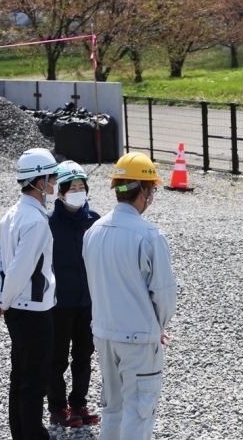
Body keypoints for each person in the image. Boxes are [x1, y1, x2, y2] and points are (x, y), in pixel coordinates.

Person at [82, 152, 177, 439]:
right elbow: (164, 295)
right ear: (145, 191)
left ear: (118, 188)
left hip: (104, 333)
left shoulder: (94, 230)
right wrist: (155, 328)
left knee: (113, 409)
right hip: (137, 339)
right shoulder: (149, 236)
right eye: (153, 190)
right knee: (138, 413)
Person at [0, 148, 59, 440]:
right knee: (34, 380)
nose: (55, 184)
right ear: (39, 181)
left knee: (19, 375)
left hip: (16, 309)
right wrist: (2, 302)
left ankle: (21, 432)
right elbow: (20, 268)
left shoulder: (11, 214)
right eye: (51, 177)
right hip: (33, 309)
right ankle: (32, 434)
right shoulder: (36, 220)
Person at [47, 161, 101, 428]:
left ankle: (79, 402)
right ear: (60, 193)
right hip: (59, 304)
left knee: (84, 354)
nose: (79, 192)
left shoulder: (95, 221)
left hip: (88, 302)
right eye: (73, 188)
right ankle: (57, 407)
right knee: (57, 357)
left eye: (82, 187)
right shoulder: (48, 224)